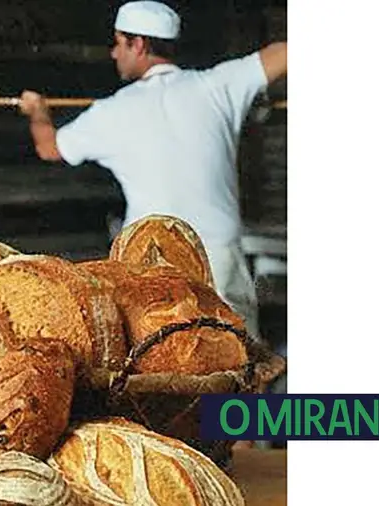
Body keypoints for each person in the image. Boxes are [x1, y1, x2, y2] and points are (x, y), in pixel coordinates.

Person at [18, 0, 287, 340]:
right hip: (217, 257)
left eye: (118, 43)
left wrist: (37, 112)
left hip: (150, 262)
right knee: (237, 357)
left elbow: (50, 147)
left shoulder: (112, 112)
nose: (114, 54)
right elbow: (285, 51)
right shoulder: (219, 86)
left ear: (139, 44)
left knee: (157, 362)